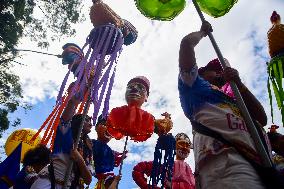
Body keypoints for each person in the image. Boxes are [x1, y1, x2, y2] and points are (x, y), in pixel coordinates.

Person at [178, 20, 268, 189]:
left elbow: (261, 119)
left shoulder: (232, 99)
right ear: (201, 74)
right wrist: (202, 33)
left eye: (220, 68)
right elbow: (186, 44)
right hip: (226, 166)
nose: (219, 71)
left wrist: (239, 84)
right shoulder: (194, 87)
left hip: (258, 166)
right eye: (214, 69)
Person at [31, 93, 92, 189]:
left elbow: (88, 180)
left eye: (91, 121)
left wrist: (80, 159)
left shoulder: (87, 149)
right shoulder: (66, 134)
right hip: (48, 183)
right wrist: (72, 103)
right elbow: (65, 119)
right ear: (77, 122)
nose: (90, 123)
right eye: (87, 120)